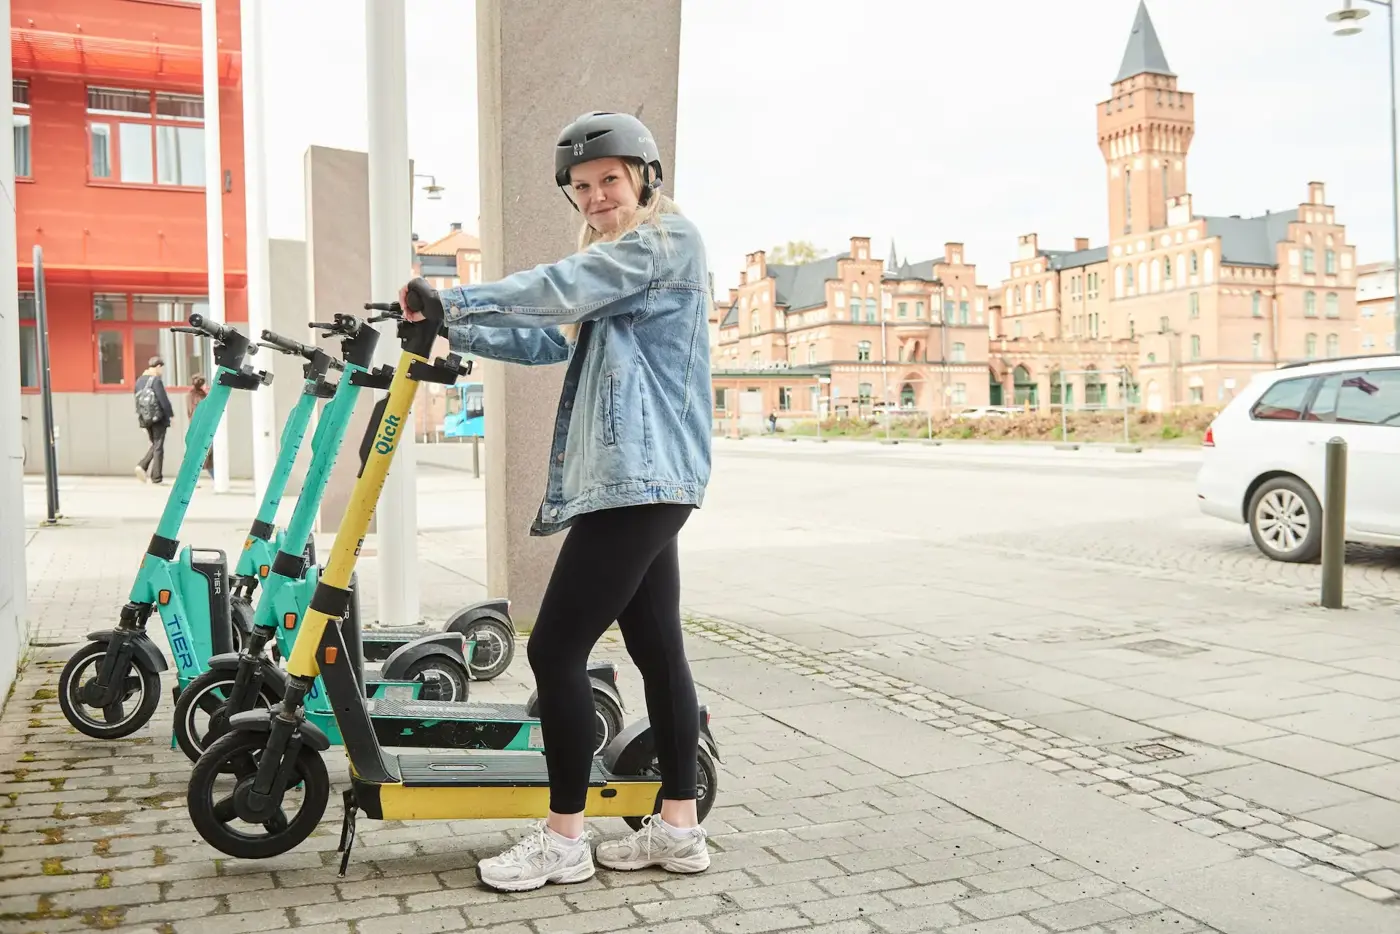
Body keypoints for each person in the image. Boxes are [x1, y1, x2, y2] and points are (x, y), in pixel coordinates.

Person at [400, 110, 714, 893]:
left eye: (609, 179)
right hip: (644, 480)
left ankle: (563, 839)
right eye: (581, 187)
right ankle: (679, 830)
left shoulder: (666, 243)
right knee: (656, 648)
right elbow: (547, 336)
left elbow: (563, 288)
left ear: (643, 176)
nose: (596, 196)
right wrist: (452, 332)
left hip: (640, 481)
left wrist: (457, 299)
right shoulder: (614, 257)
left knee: (554, 649)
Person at [133, 356, 174, 484]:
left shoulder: (139, 381)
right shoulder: (156, 381)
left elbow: (137, 402)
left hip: (146, 418)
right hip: (158, 419)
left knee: (156, 445)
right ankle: (155, 476)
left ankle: (143, 466)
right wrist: (170, 415)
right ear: (158, 367)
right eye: (161, 368)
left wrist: (142, 422)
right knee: (158, 447)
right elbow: (163, 400)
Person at [186, 375, 215, 482]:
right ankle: (214, 478)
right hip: (203, 427)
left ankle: (214, 477)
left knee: (201, 454)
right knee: (206, 454)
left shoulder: (189, 396)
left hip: (194, 427)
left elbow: (189, 413)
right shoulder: (203, 397)